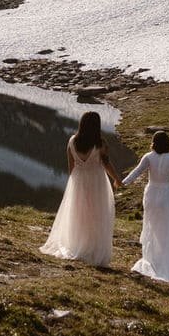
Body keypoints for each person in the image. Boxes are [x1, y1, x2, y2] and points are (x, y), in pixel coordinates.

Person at [41, 110, 119, 266]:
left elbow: (71, 167)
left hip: (78, 180)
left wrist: (74, 183)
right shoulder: (100, 144)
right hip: (96, 181)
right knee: (97, 214)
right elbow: (106, 164)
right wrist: (116, 179)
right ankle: (92, 247)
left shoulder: (72, 141)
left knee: (78, 213)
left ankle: (77, 244)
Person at [121, 129, 169, 282]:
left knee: (151, 226)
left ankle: (151, 259)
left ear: (153, 143)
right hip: (167, 194)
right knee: (167, 228)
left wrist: (123, 182)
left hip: (152, 194)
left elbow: (136, 172)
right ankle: (164, 261)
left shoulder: (148, 157)